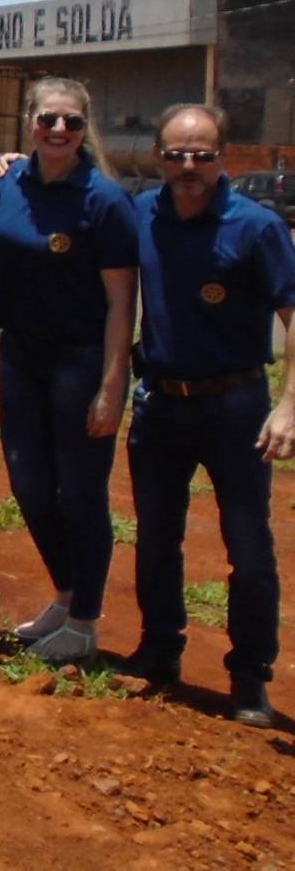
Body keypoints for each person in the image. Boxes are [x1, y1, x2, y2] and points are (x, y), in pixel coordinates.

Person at [122, 104, 295, 726]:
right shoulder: (141, 213)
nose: (189, 166)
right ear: (158, 157)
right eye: (176, 155)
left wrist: (288, 403)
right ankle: (159, 651)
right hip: (161, 403)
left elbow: (292, 313)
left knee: (249, 547)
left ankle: (250, 679)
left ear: (224, 156)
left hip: (237, 407)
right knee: (156, 537)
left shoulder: (257, 227)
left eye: (202, 155)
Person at [0, 77, 137, 663]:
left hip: (80, 358)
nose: (58, 130)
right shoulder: (8, 184)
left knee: (79, 492)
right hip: (21, 354)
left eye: (71, 122)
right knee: (29, 486)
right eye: (48, 119)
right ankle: (66, 595)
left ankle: (83, 622)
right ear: (29, 121)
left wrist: (112, 383)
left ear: (85, 128)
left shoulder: (103, 200)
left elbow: (123, 300)